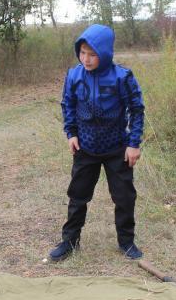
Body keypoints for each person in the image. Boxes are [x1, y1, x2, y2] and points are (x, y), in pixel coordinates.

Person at [48, 24, 145, 262]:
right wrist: (71, 133)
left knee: (124, 197)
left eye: (92, 54)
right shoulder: (74, 75)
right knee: (77, 196)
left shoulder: (122, 77)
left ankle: (126, 242)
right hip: (85, 148)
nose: (86, 59)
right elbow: (67, 105)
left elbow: (137, 109)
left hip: (117, 149)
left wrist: (133, 144)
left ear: (104, 53)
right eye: (82, 52)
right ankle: (70, 241)